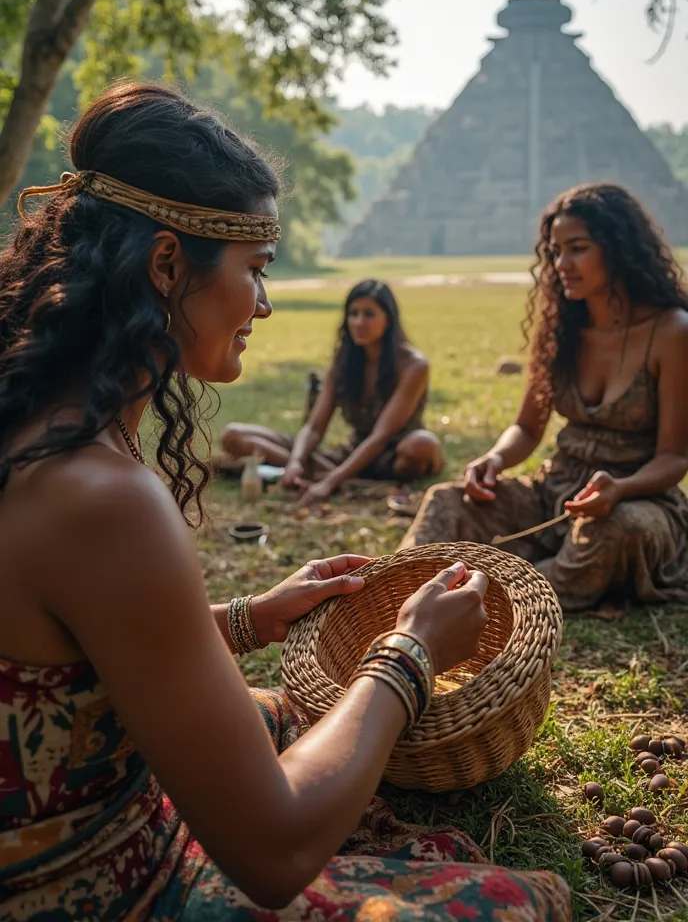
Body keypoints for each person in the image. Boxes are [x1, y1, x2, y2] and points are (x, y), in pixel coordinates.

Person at [0, 82, 571, 921]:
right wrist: (411, 651)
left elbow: (80, 646)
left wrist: (246, 619)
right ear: (166, 264)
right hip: (97, 888)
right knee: (520, 902)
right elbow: (274, 851)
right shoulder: (103, 495)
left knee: (303, 713)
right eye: (255, 270)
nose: (264, 302)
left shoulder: (41, 421)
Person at [401, 183, 688, 612]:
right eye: (555, 252)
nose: (561, 265)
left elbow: (675, 457)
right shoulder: (561, 329)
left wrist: (621, 487)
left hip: (635, 503)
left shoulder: (672, 333)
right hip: (555, 494)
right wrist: (495, 460)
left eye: (577, 249)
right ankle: (396, 589)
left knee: (617, 529)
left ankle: (492, 601)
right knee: (446, 499)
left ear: (618, 249)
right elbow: (527, 427)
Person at [216, 279, 444, 504]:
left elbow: (380, 437)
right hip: (351, 453)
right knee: (234, 435)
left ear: (389, 320)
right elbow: (315, 428)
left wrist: (329, 483)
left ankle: (334, 477)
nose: (359, 322)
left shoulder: (413, 365)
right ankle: (329, 476)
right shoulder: (344, 363)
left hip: (392, 455)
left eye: (369, 314)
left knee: (422, 444)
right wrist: (296, 460)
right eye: (353, 313)